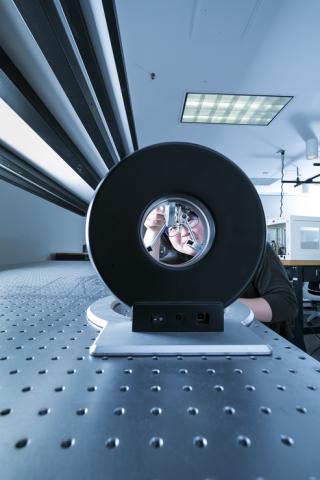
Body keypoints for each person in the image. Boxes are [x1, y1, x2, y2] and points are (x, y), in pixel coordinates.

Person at [143, 205, 298, 339]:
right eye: (173, 227)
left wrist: (215, 306)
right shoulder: (175, 262)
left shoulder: (252, 249)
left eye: (188, 219)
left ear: (208, 217)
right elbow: (145, 291)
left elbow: (285, 305)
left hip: (259, 340)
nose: (183, 232)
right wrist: (153, 230)